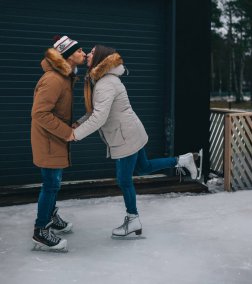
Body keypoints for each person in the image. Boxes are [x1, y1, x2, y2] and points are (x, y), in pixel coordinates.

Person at [69, 45, 200, 238]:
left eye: (92, 52)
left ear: (99, 58)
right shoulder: (104, 80)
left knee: (124, 179)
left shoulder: (106, 83)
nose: (87, 54)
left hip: (125, 136)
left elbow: (99, 117)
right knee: (144, 167)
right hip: (131, 131)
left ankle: (133, 219)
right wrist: (78, 123)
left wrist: (75, 134)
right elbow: (95, 111)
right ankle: (183, 160)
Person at [31, 35, 86, 251]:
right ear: (68, 55)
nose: (84, 53)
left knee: (54, 183)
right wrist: (67, 132)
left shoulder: (64, 77)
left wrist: (68, 125)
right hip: (49, 140)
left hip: (54, 139)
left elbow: (56, 111)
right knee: (51, 184)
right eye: (80, 51)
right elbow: (40, 113)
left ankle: (51, 216)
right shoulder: (54, 79)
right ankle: (40, 230)